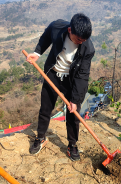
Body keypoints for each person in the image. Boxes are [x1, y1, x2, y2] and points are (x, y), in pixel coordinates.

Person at [26, 13, 95, 161]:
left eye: (84, 39)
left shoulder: (88, 48)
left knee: (73, 113)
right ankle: (41, 137)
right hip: (53, 73)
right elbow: (46, 36)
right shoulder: (57, 27)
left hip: (71, 80)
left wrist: (76, 100)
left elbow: (82, 76)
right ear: (70, 30)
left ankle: (72, 144)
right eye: (79, 39)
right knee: (45, 108)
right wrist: (37, 52)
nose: (81, 42)